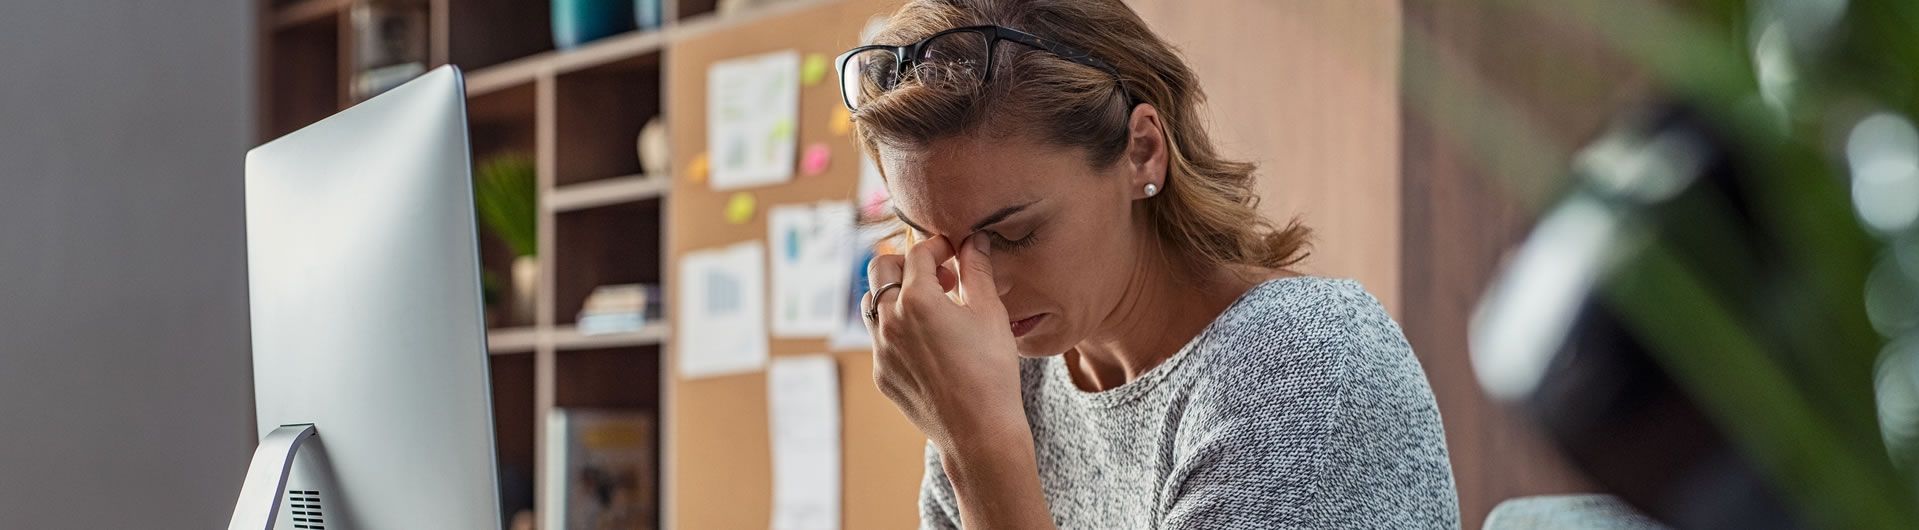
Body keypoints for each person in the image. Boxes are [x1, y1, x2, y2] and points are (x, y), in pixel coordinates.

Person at [842, 0, 1460, 527]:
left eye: (1014, 233)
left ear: (1142, 151)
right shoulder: (1006, 387)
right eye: (933, 239)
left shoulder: (1304, 370)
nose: (980, 290)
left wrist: (981, 452)